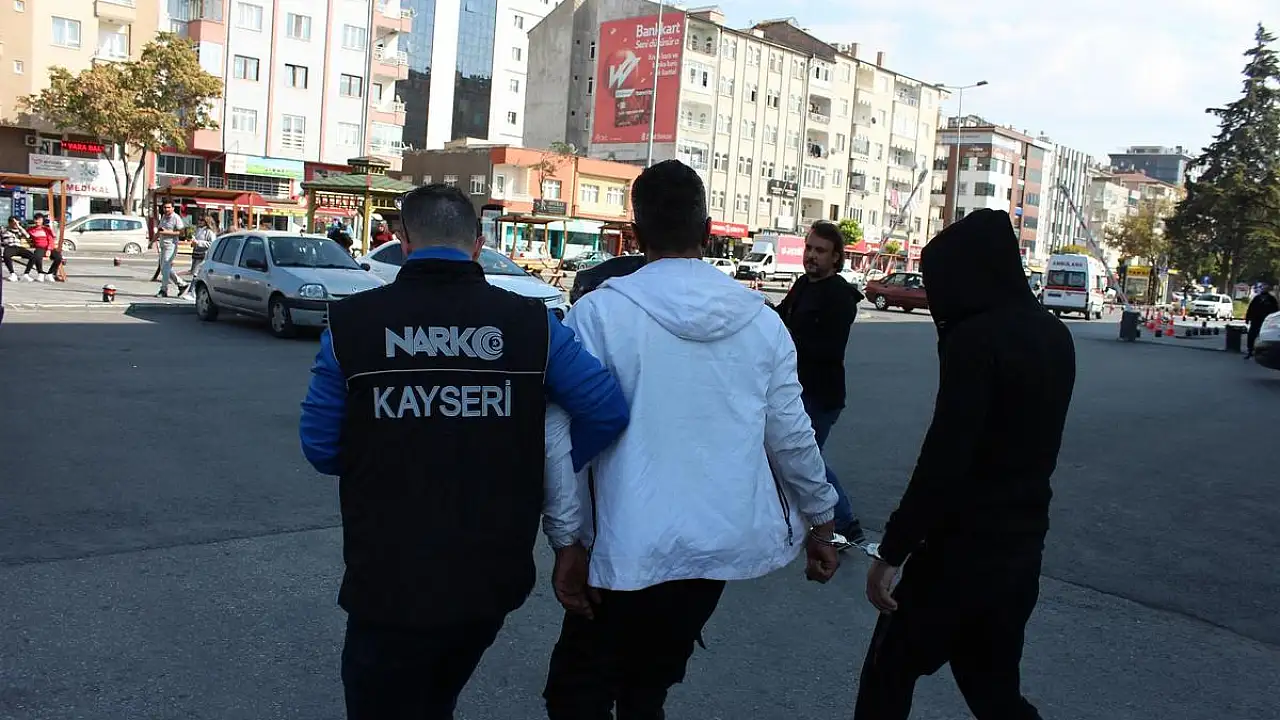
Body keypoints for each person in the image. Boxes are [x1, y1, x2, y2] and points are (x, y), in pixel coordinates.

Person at [298, 184, 630, 720]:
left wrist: (388, 454)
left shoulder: (351, 323)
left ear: (403, 241)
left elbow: (320, 447)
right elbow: (605, 410)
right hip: (490, 573)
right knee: (437, 691)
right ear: (478, 244)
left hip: (387, 570)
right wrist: (532, 470)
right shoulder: (533, 324)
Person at [540, 160, 841, 720]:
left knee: (577, 694)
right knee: (648, 689)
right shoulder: (761, 321)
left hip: (622, 544)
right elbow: (792, 436)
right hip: (713, 549)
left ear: (635, 235)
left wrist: (567, 539)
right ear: (706, 231)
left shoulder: (597, 314)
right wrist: (822, 521)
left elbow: (560, 437)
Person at [855, 209, 1076, 720]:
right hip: (1022, 549)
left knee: (889, 672)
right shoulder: (1054, 334)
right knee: (994, 689)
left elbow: (947, 456)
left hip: (958, 554)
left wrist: (893, 550)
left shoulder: (975, 339)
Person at [774, 220, 867, 547]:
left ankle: (844, 523)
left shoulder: (840, 296)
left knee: (806, 459)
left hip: (820, 394)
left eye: (820, 251)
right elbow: (781, 317)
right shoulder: (802, 284)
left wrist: (789, 340)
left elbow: (827, 348)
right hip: (795, 389)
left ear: (836, 257)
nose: (811, 256)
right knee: (798, 456)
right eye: (809, 248)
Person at [152, 203, 187, 297]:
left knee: (165, 268)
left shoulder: (176, 218)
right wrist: (152, 242)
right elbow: (160, 231)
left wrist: (167, 232)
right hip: (163, 245)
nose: (166, 209)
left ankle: (164, 290)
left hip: (171, 245)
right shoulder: (164, 217)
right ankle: (181, 284)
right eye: (165, 207)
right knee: (164, 268)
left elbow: (182, 233)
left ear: (173, 208)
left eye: (168, 207)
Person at [183, 216, 218, 300]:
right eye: (198, 219)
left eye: (202, 220)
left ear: (206, 222)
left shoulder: (209, 232)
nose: (199, 221)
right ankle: (195, 292)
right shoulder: (198, 230)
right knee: (196, 273)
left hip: (204, 255)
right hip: (196, 254)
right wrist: (193, 243)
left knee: (196, 274)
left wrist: (198, 243)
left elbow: (212, 243)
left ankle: (191, 292)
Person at [21, 213, 62, 282]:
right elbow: (24, 234)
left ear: (42, 220)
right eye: (36, 219)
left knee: (58, 257)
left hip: (49, 248)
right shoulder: (31, 229)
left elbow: (51, 239)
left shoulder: (46, 229)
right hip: (39, 248)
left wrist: (49, 249)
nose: (37, 221)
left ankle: (49, 274)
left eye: (39, 220)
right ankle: (40, 273)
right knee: (37, 256)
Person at [1244, 283, 1278, 359]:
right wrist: (1247, 318)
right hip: (1256, 320)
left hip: (1267, 321)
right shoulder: (1257, 298)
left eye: (1265, 288)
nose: (1264, 290)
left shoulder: (1271, 299)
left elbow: (1275, 310)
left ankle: (1265, 352)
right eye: (1263, 288)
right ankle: (1250, 350)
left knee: (1266, 336)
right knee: (1251, 335)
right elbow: (1251, 308)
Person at [2, 216, 35, 282]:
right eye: (14, 223)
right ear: (10, 223)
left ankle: (26, 274)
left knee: (33, 256)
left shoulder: (19, 230)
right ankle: (12, 274)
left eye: (17, 222)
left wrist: (19, 227)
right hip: (9, 247)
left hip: (19, 247)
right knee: (6, 256)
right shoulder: (4, 229)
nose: (16, 224)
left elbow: (28, 236)